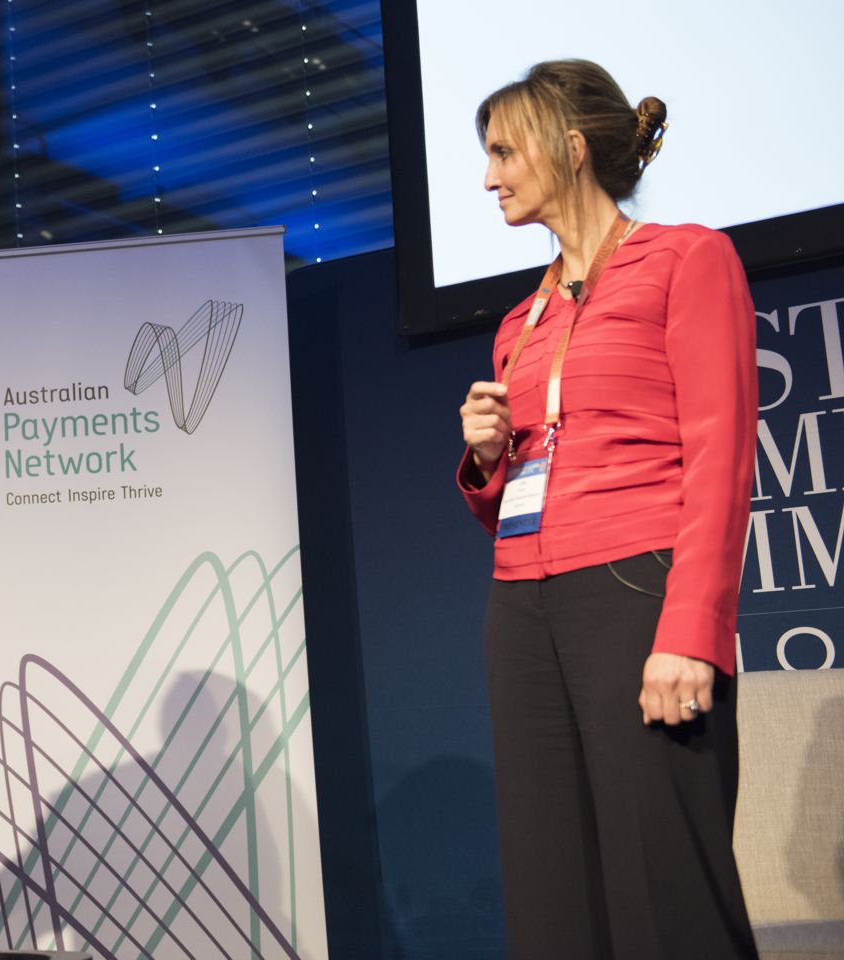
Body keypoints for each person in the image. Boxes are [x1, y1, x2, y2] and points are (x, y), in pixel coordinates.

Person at [456, 61, 758, 958]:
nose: (489, 177)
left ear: (572, 147)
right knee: (551, 892)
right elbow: (514, 497)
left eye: (504, 152)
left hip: (635, 593)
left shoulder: (686, 259)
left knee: (667, 889)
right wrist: (487, 458)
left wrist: (693, 632)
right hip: (521, 611)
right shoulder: (520, 323)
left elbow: (720, 456)